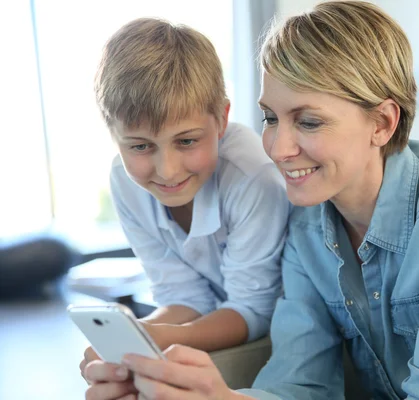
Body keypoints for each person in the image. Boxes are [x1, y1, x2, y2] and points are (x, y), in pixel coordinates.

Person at [83, 2, 419, 399]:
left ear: (382, 122)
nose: (278, 149)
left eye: (307, 121)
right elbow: (298, 385)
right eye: (270, 118)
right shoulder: (308, 228)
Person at [78, 17, 289, 396]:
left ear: (222, 119)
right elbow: (183, 296)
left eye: (187, 141)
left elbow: (254, 312)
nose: (168, 170)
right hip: (222, 325)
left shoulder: (254, 177)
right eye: (140, 146)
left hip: (279, 341)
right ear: (114, 134)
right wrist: (140, 337)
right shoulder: (124, 182)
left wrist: (162, 337)